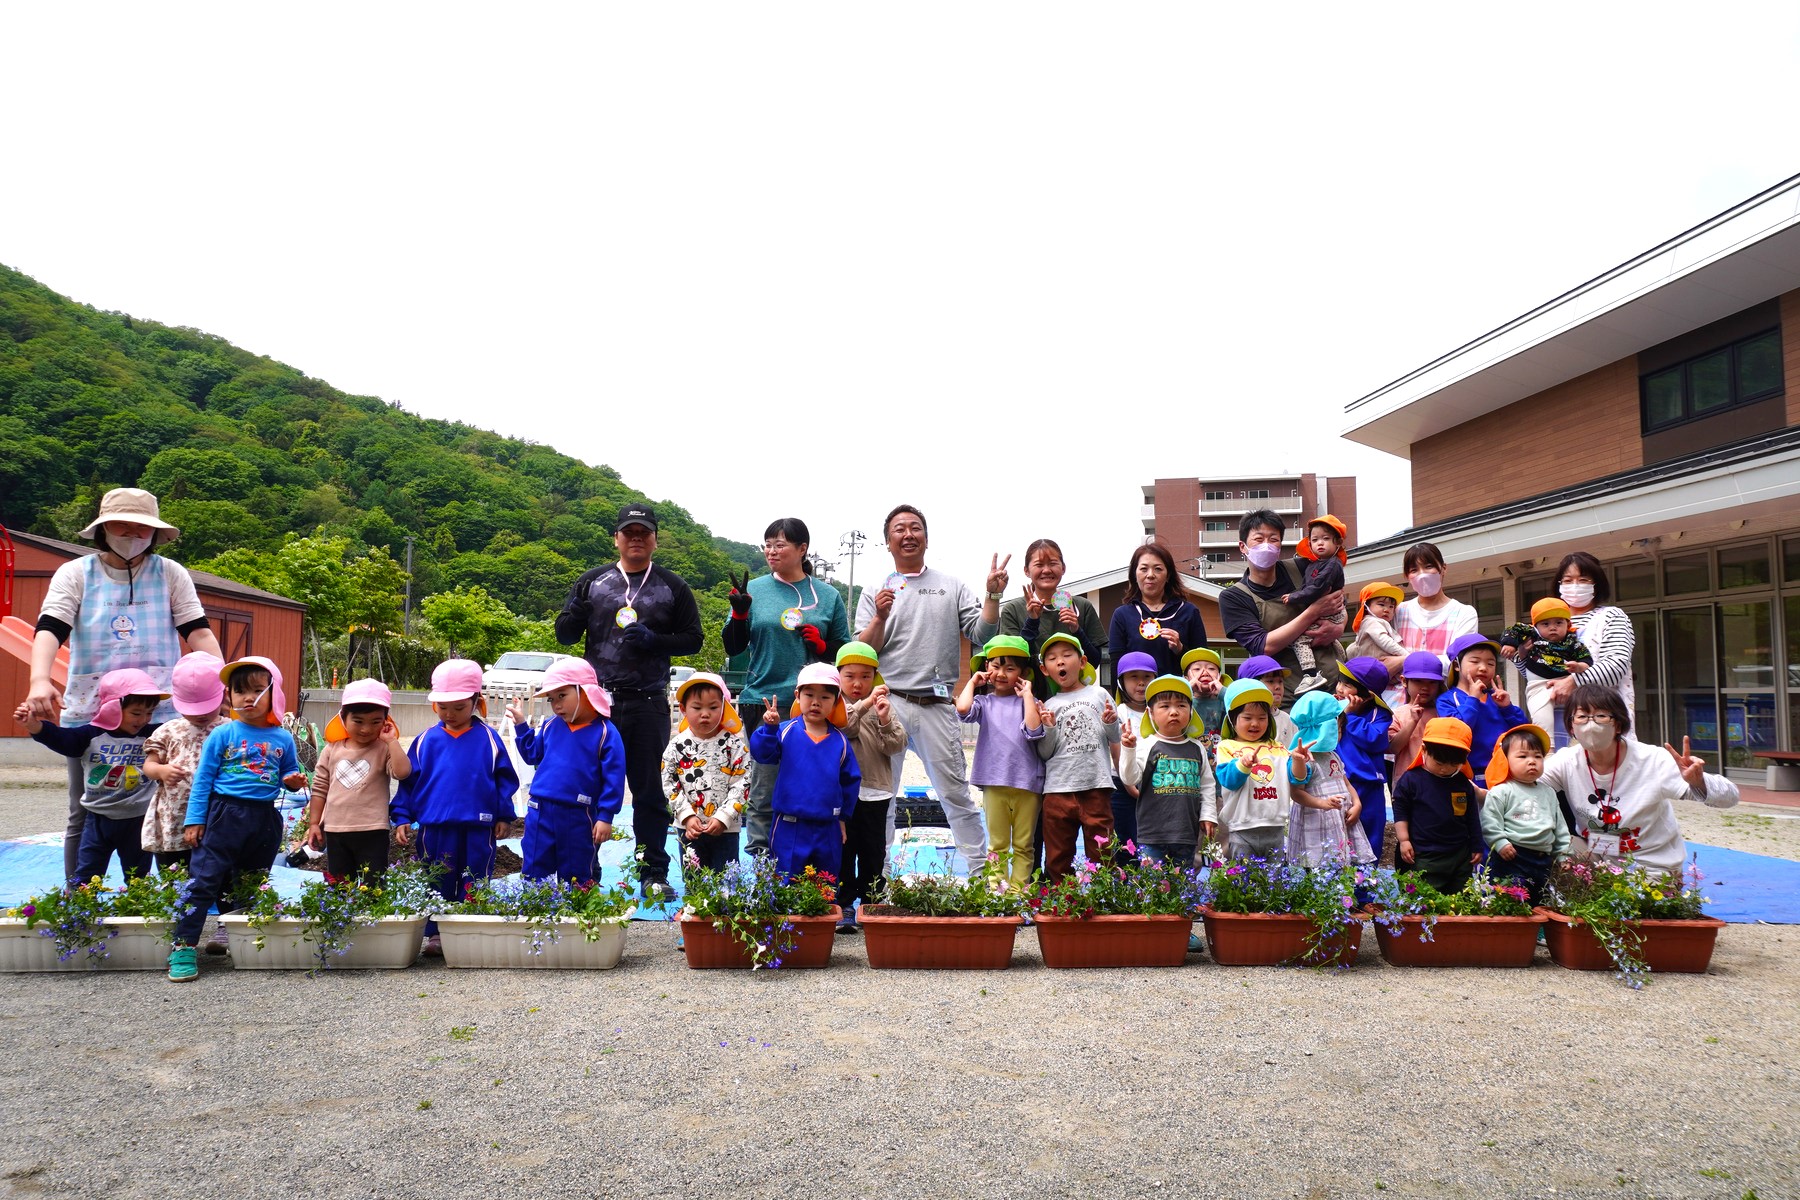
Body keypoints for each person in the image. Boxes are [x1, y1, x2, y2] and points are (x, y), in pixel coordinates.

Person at [23, 488, 223, 880]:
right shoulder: (76, 573)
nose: (132, 532)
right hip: (93, 713)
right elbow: (50, 628)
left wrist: (223, 678)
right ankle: (76, 904)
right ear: (102, 529)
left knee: (171, 802)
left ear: (155, 533)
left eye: (142, 526)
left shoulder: (170, 574)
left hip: (160, 713)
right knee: (84, 809)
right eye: (122, 524)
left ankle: (171, 900)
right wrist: (38, 680)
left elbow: (197, 632)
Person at [555, 502, 704, 896]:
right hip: (595, 705)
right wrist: (576, 612)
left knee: (650, 791)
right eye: (629, 532)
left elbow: (693, 639)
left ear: (655, 539)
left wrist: (656, 641)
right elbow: (565, 636)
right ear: (617, 538)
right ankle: (580, 874)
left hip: (648, 701)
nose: (636, 538)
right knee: (583, 788)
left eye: (644, 532)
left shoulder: (673, 586)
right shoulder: (593, 582)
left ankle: (652, 872)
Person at [854, 504, 992, 867]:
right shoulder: (875, 589)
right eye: (899, 529)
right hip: (888, 703)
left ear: (926, 538)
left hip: (937, 703)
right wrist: (881, 615)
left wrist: (992, 596)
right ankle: (877, 883)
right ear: (888, 542)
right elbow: (863, 651)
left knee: (956, 795)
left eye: (915, 528)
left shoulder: (952, 586)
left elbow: (982, 632)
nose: (908, 534)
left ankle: (980, 878)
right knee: (881, 796)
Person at [167, 657, 307, 982]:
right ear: (228, 695)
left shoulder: (283, 738)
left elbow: (288, 771)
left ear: (274, 695)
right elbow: (203, 778)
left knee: (250, 882)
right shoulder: (223, 734)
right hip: (222, 814)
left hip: (264, 818)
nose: (247, 698)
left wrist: (293, 781)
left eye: (257, 690)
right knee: (203, 879)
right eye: (239, 691)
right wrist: (194, 820)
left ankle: (234, 936)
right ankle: (183, 946)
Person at [723, 518, 851, 857]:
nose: (771, 551)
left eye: (780, 544)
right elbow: (733, 648)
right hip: (761, 700)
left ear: (802, 549)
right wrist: (738, 616)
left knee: (811, 782)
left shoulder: (827, 596)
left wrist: (822, 646)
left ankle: (806, 860)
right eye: (767, 544)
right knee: (763, 787)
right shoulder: (755, 591)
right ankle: (762, 864)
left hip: (812, 705)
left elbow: (844, 653)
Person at [1536, 685, 1737, 873]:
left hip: (1651, 866)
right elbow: (1523, 785)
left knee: (1646, 908)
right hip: (1597, 858)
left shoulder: (1652, 760)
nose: (1591, 724)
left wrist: (1698, 783)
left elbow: (1731, 797)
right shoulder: (1566, 761)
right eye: (1582, 716)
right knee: (1545, 844)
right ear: (1571, 726)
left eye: (1601, 716)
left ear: (1618, 725)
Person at [394, 660, 520, 953]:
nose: (450, 714)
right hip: (435, 825)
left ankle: (470, 926)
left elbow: (504, 779)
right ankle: (436, 932)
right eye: (443, 707)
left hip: (479, 824)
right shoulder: (426, 740)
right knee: (436, 876)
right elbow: (409, 782)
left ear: (477, 702)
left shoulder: (489, 738)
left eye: (459, 707)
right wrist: (402, 815)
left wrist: (503, 814)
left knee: (475, 876)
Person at [15, 668, 167, 883]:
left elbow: (182, 733)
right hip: (97, 818)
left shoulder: (154, 735)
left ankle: (135, 912)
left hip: (138, 819)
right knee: (87, 874)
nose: (143, 719)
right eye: (136, 713)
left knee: (138, 876)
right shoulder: (90, 735)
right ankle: (82, 912)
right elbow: (61, 739)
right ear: (113, 708)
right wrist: (35, 726)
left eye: (149, 713)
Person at [510, 658, 625, 888]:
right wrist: (522, 726)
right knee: (534, 865)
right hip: (540, 808)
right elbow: (532, 754)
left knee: (576, 869)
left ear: (586, 692)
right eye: (552, 699)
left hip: (579, 813)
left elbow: (614, 778)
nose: (556, 705)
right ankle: (535, 913)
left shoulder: (605, 733)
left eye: (562, 696)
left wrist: (605, 817)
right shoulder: (551, 726)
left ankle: (574, 917)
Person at [749, 663, 861, 879]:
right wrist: (769, 728)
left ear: (836, 701)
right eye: (809, 694)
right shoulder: (784, 731)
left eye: (825, 697)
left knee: (826, 883)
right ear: (797, 696)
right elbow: (762, 754)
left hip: (827, 826)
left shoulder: (841, 741)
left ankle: (829, 913)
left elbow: (850, 781)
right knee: (785, 882)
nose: (816, 702)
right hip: (789, 825)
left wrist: (842, 819)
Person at [1218, 510, 1345, 699]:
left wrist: (1339, 626)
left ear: (1280, 545)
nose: (1267, 546)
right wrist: (1313, 612)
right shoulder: (1234, 597)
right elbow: (1263, 645)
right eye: (1259, 539)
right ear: (1242, 547)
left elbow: (1338, 600)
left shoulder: (1303, 567)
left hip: (1334, 686)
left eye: (1273, 539)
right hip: (1286, 697)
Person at [956, 636, 1047, 891]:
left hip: (1027, 783)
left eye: (1010, 668)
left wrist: (1028, 695)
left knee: (1023, 843)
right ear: (987, 668)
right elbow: (962, 709)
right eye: (996, 666)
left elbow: (1033, 729)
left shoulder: (1031, 703)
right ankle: (998, 890)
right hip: (993, 781)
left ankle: (1018, 892)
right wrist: (973, 680)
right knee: (997, 843)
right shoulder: (984, 703)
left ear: (1023, 673)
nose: (1001, 674)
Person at [300, 678, 411, 882]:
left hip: (373, 830)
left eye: (375, 722)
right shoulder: (331, 750)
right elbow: (319, 789)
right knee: (340, 886)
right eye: (358, 721)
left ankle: (370, 914)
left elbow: (402, 773)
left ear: (386, 720)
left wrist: (392, 741)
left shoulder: (384, 748)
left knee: (373, 886)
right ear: (343, 717)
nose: (366, 729)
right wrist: (314, 823)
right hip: (336, 830)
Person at [1036, 633, 1120, 880]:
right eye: (1052, 658)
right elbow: (1044, 752)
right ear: (1044, 669)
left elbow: (1114, 736)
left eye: (1067, 655)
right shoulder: (1049, 705)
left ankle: (1104, 898)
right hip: (1057, 789)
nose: (1060, 662)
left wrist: (1110, 722)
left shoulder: (1100, 694)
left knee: (1102, 850)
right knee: (1057, 853)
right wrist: (1049, 728)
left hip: (1096, 785)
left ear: (1083, 661)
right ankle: (1064, 901)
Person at [836, 645, 908, 926]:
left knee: (873, 852)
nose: (858, 683)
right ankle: (843, 905)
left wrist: (885, 718)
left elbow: (896, 745)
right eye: (850, 676)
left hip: (876, 791)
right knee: (843, 851)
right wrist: (866, 705)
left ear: (875, 677)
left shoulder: (883, 706)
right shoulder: (834, 704)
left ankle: (871, 902)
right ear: (838, 676)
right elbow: (844, 726)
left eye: (866, 676)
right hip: (843, 794)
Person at [1534, 552, 1636, 747]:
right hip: (1553, 715)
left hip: (1600, 717)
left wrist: (1573, 682)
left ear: (1596, 585)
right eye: (1568, 580)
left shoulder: (1612, 617)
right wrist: (1521, 656)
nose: (1574, 585)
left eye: (1583, 580)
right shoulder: (1545, 624)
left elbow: (1616, 665)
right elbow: (1534, 669)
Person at [141, 652, 228, 875]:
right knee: (174, 871)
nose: (200, 715)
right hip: (174, 816)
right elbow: (148, 766)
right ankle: (178, 905)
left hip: (214, 814)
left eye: (207, 707)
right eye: (192, 709)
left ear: (223, 695)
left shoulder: (229, 729)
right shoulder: (169, 730)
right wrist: (161, 770)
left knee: (215, 866)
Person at [1118, 676, 1215, 867]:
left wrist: (1208, 816)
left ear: (1190, 711)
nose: (1174, 712)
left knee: (1182, 888)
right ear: (1151, 713)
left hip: (1186, 833)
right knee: (1153, 888)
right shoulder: (1147, 745)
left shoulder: (1197, 748)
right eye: (1165, 706)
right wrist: (1128, 749)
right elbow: (1130, 777)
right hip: (1152, 835)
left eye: (1181, 705)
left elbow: (1207, 786)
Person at [663, 672, 751, 874]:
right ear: (683, 709)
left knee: (726, 882)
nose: (705, 713)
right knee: (694, 884)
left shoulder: (734, 744)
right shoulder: (676, 745)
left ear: (724, 709)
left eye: (713, 707)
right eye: (697, 707)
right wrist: (686, 816)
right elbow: (669, 783)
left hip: (726, 828)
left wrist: (724, 817)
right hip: (689, 828)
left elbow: (743, 781)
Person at [975, 538, 1105, 671]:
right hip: (1029, 690)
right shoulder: (1013, 609)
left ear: (1063, 568)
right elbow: (1012, 663)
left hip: (1074, 691)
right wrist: (1032, 621)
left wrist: (1077, 630)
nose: (1047, 570)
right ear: (1026, 571)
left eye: (1053, 563)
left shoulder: (1082, 606)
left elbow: (1094, 661)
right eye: (1039, 565)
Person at [1390, 717, 1483, 894]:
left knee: (1460, 896)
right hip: (1424, 853)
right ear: (1424, 750)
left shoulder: (1462, 783)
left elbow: (1472, 816)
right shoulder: (1412, 779)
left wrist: (1476, 845)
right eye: (1439, 763)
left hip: (1459, 853)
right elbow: (1401, 810)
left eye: (1454, 764)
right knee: (1423, 897)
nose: (1445, 769)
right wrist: (1404, 840)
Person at [1212, 680, 1301, 861]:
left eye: (1262, 717)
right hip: (1242, 827)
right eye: (1247, 717)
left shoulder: (1277, 747)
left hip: (1275, 826)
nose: (1255, 723)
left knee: (1274, 883)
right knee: (1244, 883)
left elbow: (1297, 779)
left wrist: (1299, 760)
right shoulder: (1227, 746)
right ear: (1231, 719)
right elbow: (1228, 781)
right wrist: (1243, 764)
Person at [1479, 725, 1568, 902]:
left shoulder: (1548, 792)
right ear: (1505, 760)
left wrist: (1564, 854)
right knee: (1510, 901)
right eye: (1522, 756)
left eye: (1538, 756)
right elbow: (1490, 822)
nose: (1532, 761)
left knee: (1541, 901)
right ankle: (1513, 930)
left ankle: (1539, 930)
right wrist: (1500, 842)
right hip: (1512, 856)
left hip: (1543, 859)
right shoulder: (1501, 791)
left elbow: (1560, 826)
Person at [1285, 691, 1374, 868]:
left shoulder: (1332, 755)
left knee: (1340, 869)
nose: (1340, 734)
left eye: (1340, 729)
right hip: (1317, 822)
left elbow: (1345, 782)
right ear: (1322, 730)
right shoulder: (1303, 759)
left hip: (1339, 821)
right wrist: (1322, 803)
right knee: (1318, 869)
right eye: (1337, 729)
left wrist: (1357, 804)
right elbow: (1296, 793)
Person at [1106, 542, 1210, 679]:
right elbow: (1116, 665)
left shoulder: (1188, 611)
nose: (1150, 575)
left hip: (1177, 696)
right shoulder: (1122, 615)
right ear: (1134, 574)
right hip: (1137, 697)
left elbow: (1203, 663)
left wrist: (1180, 649)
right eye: (1143, 569)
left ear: (1168, 576)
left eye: (1158, 569)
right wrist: (1118, 700)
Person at [1436, 633, 1528, 786]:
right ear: (1457, 665)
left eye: (1491, 663)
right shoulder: (1447, 699)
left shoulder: (1497, 698)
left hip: (1505, 775)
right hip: (1468, 778)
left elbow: (1522, 732)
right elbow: (1457, 732)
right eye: (1475, 661)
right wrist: (1473, 699)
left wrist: (1507, 707)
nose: (1483, 668)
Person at [1281, 515, 1351, 693]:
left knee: (1299, 638)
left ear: (1337, 543)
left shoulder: (1333, 564)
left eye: (1326, 539)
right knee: (1329, 638)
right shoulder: (1314, 564)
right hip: (1329, 612)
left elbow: (1318, 587)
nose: (1320, 543)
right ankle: (1343, 660)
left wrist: (1295, 597)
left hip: (1330, 612)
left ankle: (1310, 674)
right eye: (1315, 539)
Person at [1333, 657, 1393, 860]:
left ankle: (1365, 887)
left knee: (1369, 837)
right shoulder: (1332, 708)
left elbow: (1375, 740)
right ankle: (1336, 888)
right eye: (1340, 681)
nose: (1340, 688)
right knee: (1337, 836)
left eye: (1347, 685)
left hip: (1369, 784)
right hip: (1338, 782)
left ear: (1367, 696)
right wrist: (1340, 713)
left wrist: (1350, 716)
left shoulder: (1380, 714)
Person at [1389, 542, 1478, 676]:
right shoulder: (1398, 611)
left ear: (1443, 568)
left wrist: (1404, 660)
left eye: (1428, 566)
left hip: (1445, 695)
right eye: (1414, 570)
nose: (1422, 575)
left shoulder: (1464, 613)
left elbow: (1458, 661)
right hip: (1401, 695)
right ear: (1407, 576)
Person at [1110, 651, 1159, 856]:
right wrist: (1130, 786)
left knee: (1154, 842)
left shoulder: (1160, 711)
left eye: (1147, 677)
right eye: (1133, 677)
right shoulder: (1118, 711)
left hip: (1156, 782)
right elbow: (1115, 748)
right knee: (1125, 842)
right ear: (1121, 681)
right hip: (1122, 786)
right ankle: (1125, 886)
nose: (1140, 683)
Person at [1386, 651, 1449, 792]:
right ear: (1404, 681)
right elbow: (1393, 748)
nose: (1425, 687)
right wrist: (1412, 721)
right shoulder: (1398, 713)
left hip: (1441, 781)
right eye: (1418, 680)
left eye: (1432, 682)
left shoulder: (1445, 712)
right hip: (1407, 784)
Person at [1236, 655, 1300, 745]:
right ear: (1250, 685)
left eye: (1280, 681)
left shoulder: (1289, 720)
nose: (1278, 687)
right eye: (1270, 681)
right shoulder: (1239, 719)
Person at [1180, 647, 1227, 754]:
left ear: (1219, 677)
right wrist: (1186, 689)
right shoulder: (1183, 701)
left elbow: (1240, 704)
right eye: (1197, 669)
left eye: (1211, 669)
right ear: (1187, 678)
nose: (1205, 672)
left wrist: (1222, 692)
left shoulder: (1224, 700)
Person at [1346, 583, 1406, 664]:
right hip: (1376, 667)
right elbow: (1384, 641)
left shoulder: (1376, 623)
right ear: (1366, 606)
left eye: (1391, 606)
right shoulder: (1371, 621)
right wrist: (1407, 656)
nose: (1387, 610)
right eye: (1381, 604)